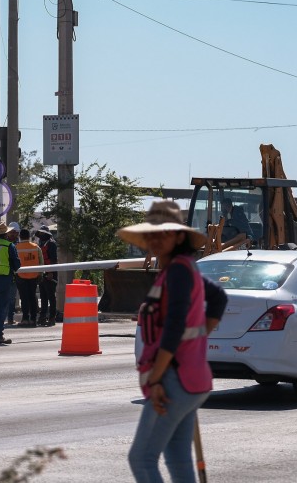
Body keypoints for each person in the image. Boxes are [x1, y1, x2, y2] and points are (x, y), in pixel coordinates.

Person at [118, 200, 228, 483]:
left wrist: (155, 379)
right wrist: (201, 334)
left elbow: (175, 326)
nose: (155, 239)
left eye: (163, 232)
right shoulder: (182, 268)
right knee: (177, 456)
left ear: (179, 236)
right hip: (191, 378)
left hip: (174, 380)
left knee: (141, 459)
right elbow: (217, 298)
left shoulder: (179, 271)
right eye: (150, 234)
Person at [15, 228, 43, 327]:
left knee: (24, 298)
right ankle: (33, 319)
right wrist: (40, 274)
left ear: (20, 236)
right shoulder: (36, 247)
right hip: (34, 276)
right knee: (32, 297)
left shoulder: (16, 247)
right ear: (29, 237)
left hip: (21, 276)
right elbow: (41, 262)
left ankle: (25, 319)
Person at [34, 225, 58, 326]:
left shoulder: (51, 244)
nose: (41, 235)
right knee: (43, 296)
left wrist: (51, 272)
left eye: (43, 233)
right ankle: (43, 317)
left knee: (51, 296)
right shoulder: (40, 244)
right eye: (40, 233)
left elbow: (53, 259)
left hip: (50, 273)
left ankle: (52, 317)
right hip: (42, 272)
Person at [6, 222, 21, 325]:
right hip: (8, 274)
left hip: (21, 274)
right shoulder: (5, 245)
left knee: (14, 298)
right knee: (10, 298)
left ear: (18, 233)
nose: (12, 234)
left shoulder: (20, 245)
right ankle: (9, 318)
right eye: (10, 232)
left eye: (14, 232)